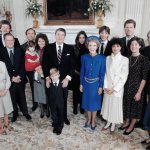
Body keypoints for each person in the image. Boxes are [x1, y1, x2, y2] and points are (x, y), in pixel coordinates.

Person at [42, 28, 74, 125]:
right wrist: (47, 78)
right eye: (58, 34)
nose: (60, 37)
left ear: (65, 36)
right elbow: (45, 64)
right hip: (52, 79)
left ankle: (64, 117)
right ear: (55, 35)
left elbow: (73, 65)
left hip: (64, 80)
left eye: (62, 35)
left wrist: (67, 78)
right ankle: (54, 118)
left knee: (63, 99)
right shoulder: (48, 47)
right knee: (52, 99)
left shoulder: (70, 48)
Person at [120, 37, 149, 135]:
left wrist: (139, 92)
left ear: (140, 46)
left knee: (135, 107)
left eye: (136, 44)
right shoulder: (127, 58)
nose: (134, 46)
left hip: (137, 87)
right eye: (132, 44)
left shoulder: (144, 59)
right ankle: (126, 122)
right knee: (127, 104)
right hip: (127, 85)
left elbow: (144, 78)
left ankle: (132, 125)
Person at [0, 33, 31, 122]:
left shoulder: (19, 50)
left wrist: (19, 76)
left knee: (22, 96)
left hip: (20, 78)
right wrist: (11, 78)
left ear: (14, 41)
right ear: (5, 41)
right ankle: (15, 114)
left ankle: (26, 113)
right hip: (9, 80)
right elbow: (2, 69)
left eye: (11, 40)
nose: (10, 42)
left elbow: (23, 65)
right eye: (8, 40)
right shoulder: (1, 52)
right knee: (12, 97)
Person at [101, 38, 129, 133]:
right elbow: (105, 73)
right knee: (108, 105)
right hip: (108, 87)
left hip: (117, 88)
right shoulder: (108, 58)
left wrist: (115, 89)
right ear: (111, 47)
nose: (115, 48)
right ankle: (108, 122)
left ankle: (113, 124)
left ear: (120, 47)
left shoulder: (125, 59)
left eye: (117, 46)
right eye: (113, 46)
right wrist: (105, 86)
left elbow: (124, 77)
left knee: (115, 106)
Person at [80, 36, 106, 130]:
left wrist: (100, 86)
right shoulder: (84, 57)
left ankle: (93, 121)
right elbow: (82, 71)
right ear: (87, 46)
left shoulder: (102, 58)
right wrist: (81, 84)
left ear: (97, 46)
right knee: (87, 103)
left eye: (94, 45)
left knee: (94, 104)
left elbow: (102, 73)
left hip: (96, 84)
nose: (92, 47)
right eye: (90, 45)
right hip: (86, 84)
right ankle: (88, 120)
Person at [21, 28, 38, 112]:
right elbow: (21, 62)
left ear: (34, 34)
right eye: (29, 33)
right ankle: (35, 104)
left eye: (32, 33)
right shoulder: (22, 47)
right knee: (33, 87)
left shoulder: (38, 44)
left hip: (39, 69)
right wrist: (25, 74)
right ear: (26, 35)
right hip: (29, 71)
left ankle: (44, 102)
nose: (31, 35)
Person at [72, 31, 88, 115]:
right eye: (80, 37)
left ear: (85, 38)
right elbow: (71, 60)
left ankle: (82, 106)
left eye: (83, 37)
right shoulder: (74, 47)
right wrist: (74, 70)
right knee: (75, 91)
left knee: (82, 91)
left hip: (84, 73)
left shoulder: (87, 48)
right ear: (77, 39)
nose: (81, 39)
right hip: (75, 72)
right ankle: (75, 107)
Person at [35, 33, 50, 118]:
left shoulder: (49, 50)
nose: (41, 42)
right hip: (37, 74)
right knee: (39, 92)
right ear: (37, 42)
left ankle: (47, 108)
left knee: (46, 92)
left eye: (43, 41)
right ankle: (41, 109)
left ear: (45, 41)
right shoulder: (34, 50)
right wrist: (37, 68)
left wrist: (43, 69)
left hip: (46, 74)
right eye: (39, 41)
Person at [48, 68, 64, 135]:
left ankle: (60, 126)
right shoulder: (49, 84)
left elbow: (65, 94)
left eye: (55, 75)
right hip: (52, 103)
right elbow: (48, 94)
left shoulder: (62, 84)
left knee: (60, 115)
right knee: (54, 115)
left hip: (60, 103)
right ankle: (55, 125)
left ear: (58, 75)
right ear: (50, 77)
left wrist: (63, 102)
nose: (54, 77)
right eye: (52, 76)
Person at [0, 61, 13, 135]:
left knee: (6, 108)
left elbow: (8, 77)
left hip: (5, 90)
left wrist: (6, 89)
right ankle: (1, 128)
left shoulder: (2, 63)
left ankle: (6, 124)